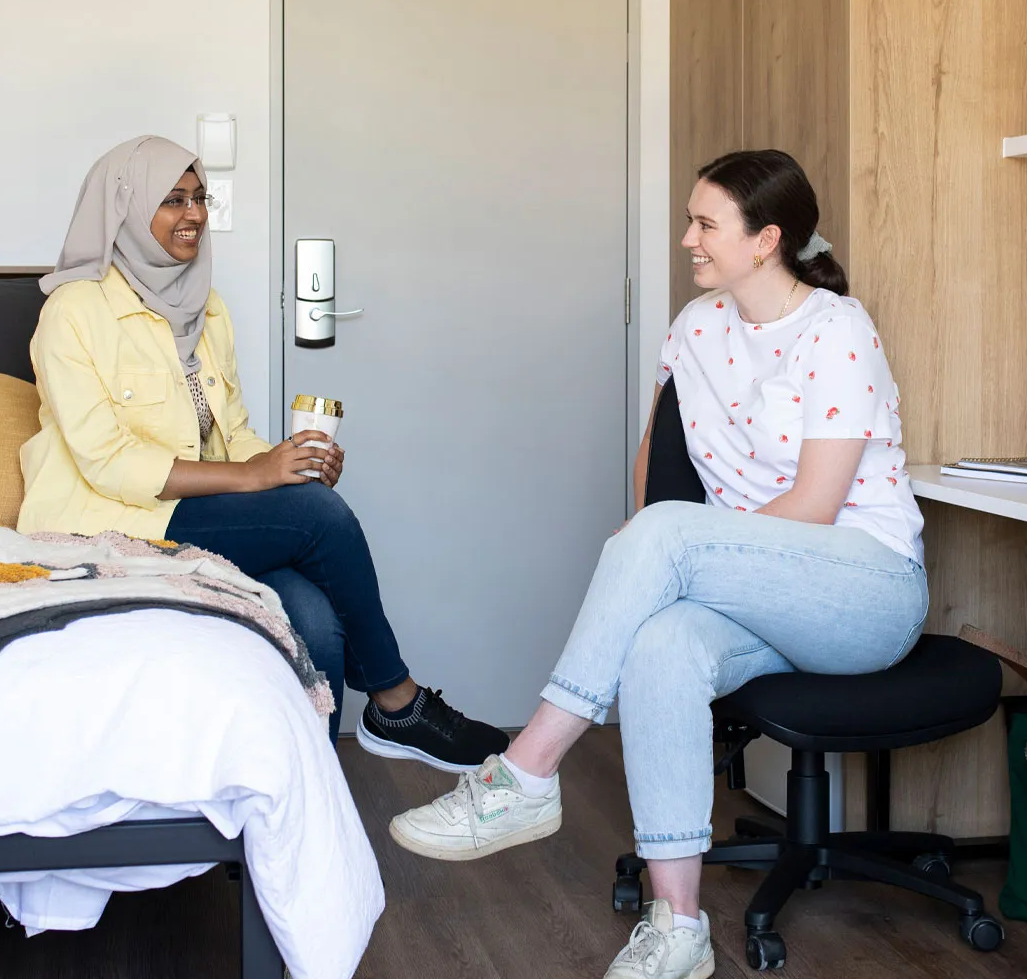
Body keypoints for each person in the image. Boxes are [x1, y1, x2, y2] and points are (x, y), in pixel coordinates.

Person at [388, 150, 928, 979]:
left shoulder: (837, 330)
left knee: (669, 535)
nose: (687, 239)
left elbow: (817, 508)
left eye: (706, 224)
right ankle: (678, 926)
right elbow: (656, 459)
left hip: (861, 588)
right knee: (659, 646)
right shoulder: (695, 328)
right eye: (690, 220)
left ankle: (527, 772)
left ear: (767, 240)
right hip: (750, 588)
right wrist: (662, 557)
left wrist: (672, 549)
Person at [17, 135, 507, 767]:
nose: (193, 214)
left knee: (314, 614)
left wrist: (290, 459)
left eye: (198, 198)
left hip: (184, 507)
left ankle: (314, 792)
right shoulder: (73, 311)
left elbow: (231, 431)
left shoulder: (204, 307)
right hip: (104, 518)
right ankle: (396, 702)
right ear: (126, 210)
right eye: (171, 200)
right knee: (315, 517)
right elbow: (106, 462)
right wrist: (254, 476)